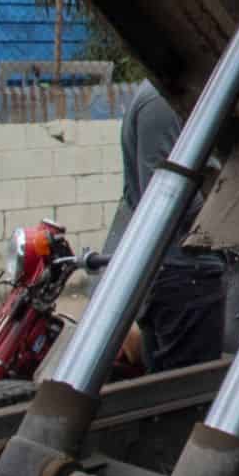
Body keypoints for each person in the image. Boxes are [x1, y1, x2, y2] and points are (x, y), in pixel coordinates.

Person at [97, 81, 228, 373]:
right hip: (182, 274)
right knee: (188, 389)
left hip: (178, 272)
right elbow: (165, 200)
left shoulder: (172, 98)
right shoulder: (162, 103)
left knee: (169, 388)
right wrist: (233, 208)